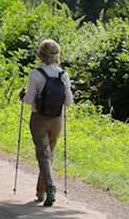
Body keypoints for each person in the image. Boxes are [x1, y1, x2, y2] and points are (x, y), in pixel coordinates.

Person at [21, 39, 74, 207]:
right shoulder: (63, 74)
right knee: (48, 155)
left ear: (41, 55)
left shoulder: (35, 74)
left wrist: (22, 96)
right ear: (57, 55)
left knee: (43, 155)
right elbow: (69, 101)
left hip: (39, 119)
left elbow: (29, 100)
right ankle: (40, 192)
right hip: (57, 120)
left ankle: (50, 188)